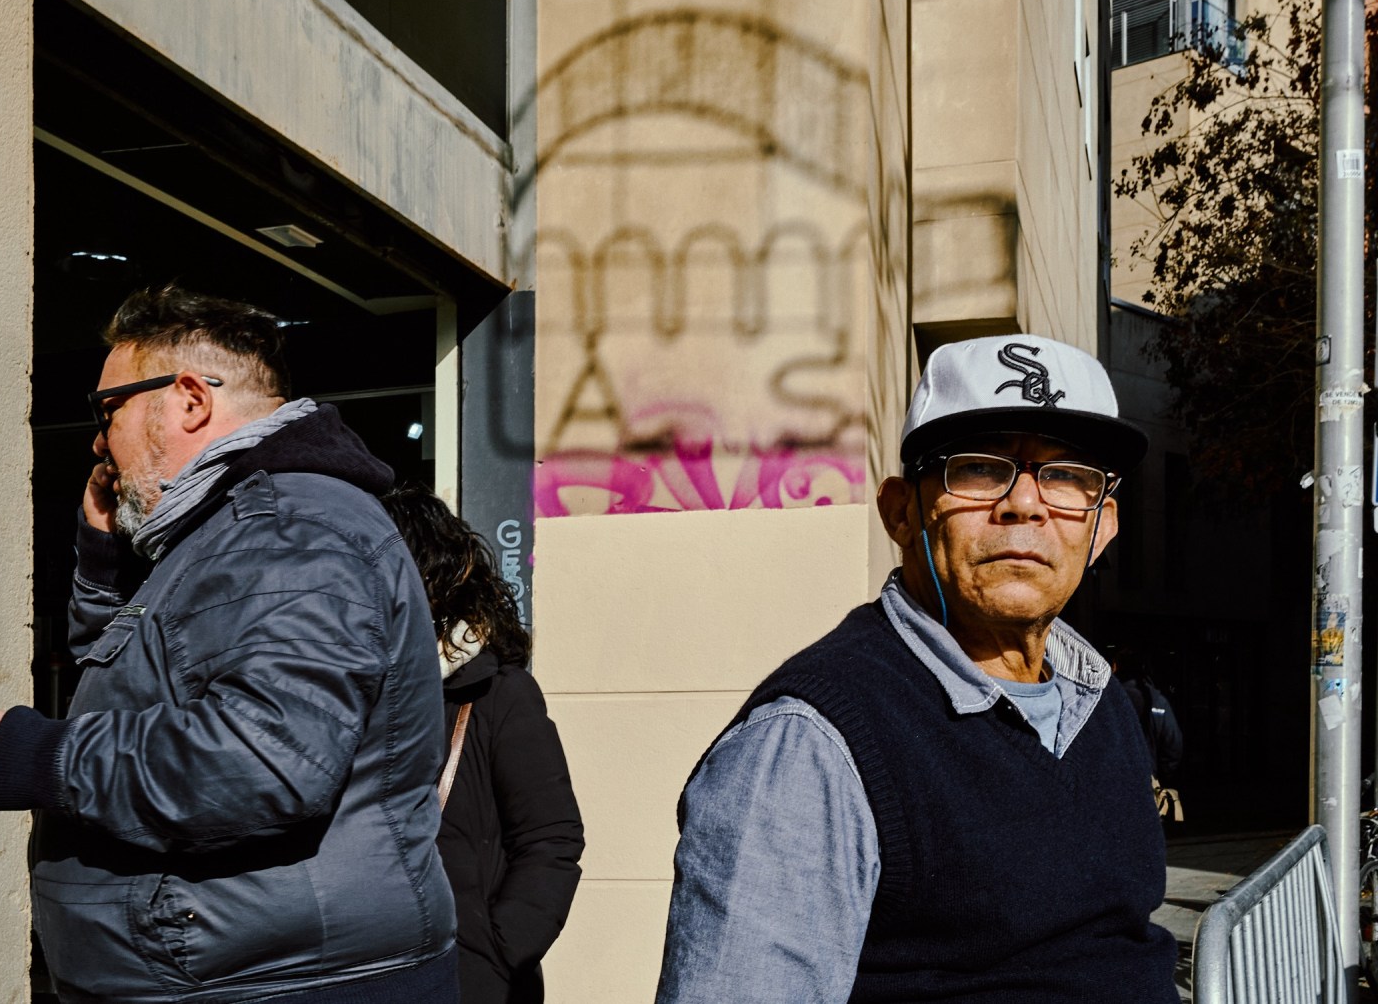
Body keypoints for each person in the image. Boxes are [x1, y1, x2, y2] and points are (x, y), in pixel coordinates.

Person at [0, 284, 457, 1003]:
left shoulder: (287, 529)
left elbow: (265, 761)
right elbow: (153, 680)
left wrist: (37, 755)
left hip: (270, 982)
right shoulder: (239, 531)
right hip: (244, 972)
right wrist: (104, 561)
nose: (97, 440)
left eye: (107, 409)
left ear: (187, 400)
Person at [656, 334, 1178, 1003]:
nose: (1024, 504)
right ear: (902, 512)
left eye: (1066, 475)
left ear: (1100, 527)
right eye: (981, 469)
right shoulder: (812, 743)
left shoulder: (1102, 705)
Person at [381, 485, 584, 1004]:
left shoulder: (499, 693)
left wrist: (495, 956)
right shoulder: (352, 690)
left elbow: (551, 839)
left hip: (467, 981)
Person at [1114, 648, 1184, 782]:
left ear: (1117, 667)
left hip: (1114, 782)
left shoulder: (1107, 701)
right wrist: (1159, 778)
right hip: (1148, 780)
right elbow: (1174, 745)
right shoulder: (1157, 701)